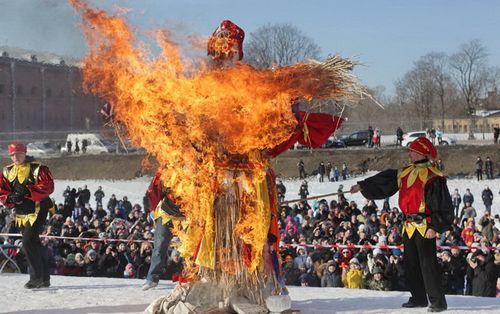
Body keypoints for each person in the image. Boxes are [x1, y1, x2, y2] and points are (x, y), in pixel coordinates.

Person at [350, 137, 453, 312]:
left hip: (424, 226)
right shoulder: (404, 173)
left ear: (421, 152)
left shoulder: (433, 177)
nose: (409, 154)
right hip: (408, 225)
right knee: (411, 264)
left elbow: (442, 204)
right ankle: (418, 297)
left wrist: (435, 226)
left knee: (428, 265)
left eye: (412, 151)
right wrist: (362, 186)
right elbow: (384, 182)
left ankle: (437, 302)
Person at [0, 142, 55, 289]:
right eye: (12, 154)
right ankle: (44, 278)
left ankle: (36, 277)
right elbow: (2, 190)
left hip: (39, 209)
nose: (15, 157)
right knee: (34, 242)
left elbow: (48, 186)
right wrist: (10, 198)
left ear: (25, 153)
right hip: (21, 213)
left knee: (27, 242)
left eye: (18, 153)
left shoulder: (39, 168)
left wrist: (26, 192)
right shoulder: (7, 171)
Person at [142, 172, 184, 290]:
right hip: (166, 214)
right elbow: (153, 191)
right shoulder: (167, 172)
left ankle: (188, 277)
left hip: (186, 216)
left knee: (189, 249)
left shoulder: (194, 172)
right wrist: (151, 209)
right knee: (160, 246)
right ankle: (152, 278)